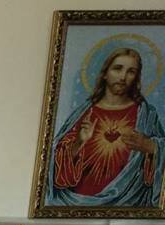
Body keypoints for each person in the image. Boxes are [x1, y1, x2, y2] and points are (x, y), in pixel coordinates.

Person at [50, 47, 165, 208]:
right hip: (78, 204)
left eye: (131, 72)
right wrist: (79, 142)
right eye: (117, 68)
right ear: (105, 73)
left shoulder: (146, 115)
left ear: (136, 78)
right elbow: (53, 167)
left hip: (131, 204)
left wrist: (151, 146)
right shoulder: (84, 113)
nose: (123, 77)